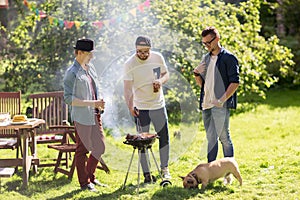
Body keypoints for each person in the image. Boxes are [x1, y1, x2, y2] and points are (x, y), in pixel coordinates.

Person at [123, 36, 171, 183]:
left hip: (158, 105)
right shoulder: (130, 64)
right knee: (142, 142)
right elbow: (127, 88)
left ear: (150, 49)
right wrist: (130, 107)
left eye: (146, 51)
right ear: (135, 49)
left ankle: (164, 169)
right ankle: (147, 174)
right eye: (139, 51)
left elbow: (165, 74)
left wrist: (160, 81)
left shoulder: (157, 57)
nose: (142, 54)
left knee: (164, 138)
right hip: (141, 107)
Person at [63, 38, 107, 192]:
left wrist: (99, 102)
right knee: (83, 150)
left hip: (95, 114)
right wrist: (91, 103)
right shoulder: (71, 73)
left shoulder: (90, 68)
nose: (92, 57)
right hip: (82, 116)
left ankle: (91, 177)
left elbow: (96, 87)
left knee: (100, 146)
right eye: (89, 54)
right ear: (79, 53)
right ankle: (84, 183)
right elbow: (68, 99)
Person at [193, 26, 240, 163]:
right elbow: (204, 85)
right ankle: (210, 171)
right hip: (206, 104)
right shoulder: (205, 58)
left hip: (220, 104)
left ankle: (229, 170)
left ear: (217, 38)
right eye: (204, 43)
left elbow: (235, 82)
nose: (206, 46)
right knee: (211, 138)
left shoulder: (229, 58)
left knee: (224, 137)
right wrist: (196, 74)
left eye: (209, 42)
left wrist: (221, 100)